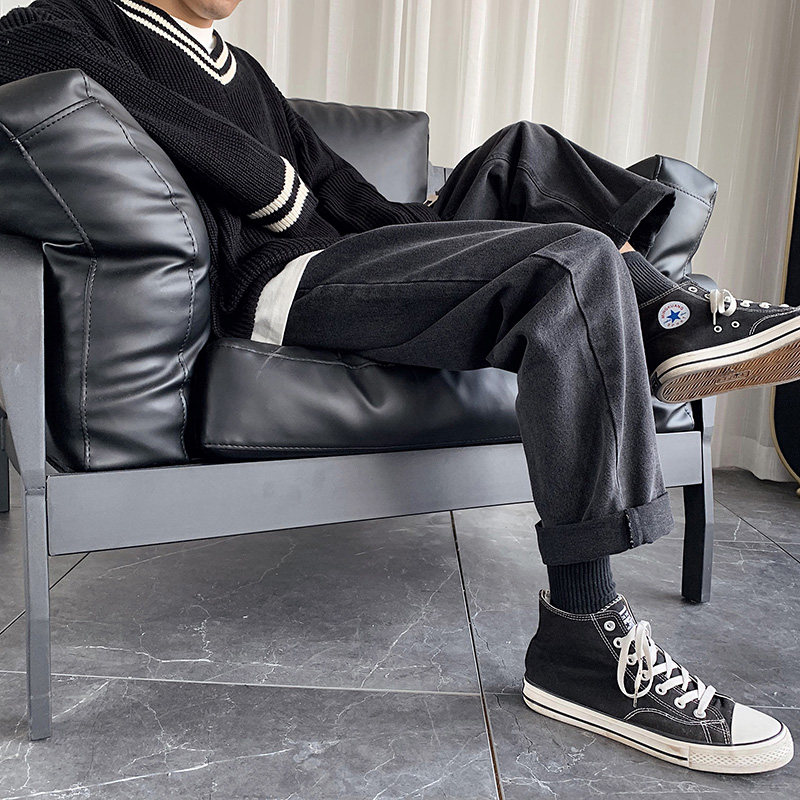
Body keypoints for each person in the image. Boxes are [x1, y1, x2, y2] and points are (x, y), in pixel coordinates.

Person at [0, 0, 796, 774]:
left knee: (522, 153)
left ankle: (665, 316)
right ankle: (583, 636)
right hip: (282, 279)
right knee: (571, 264)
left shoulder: (243, 70)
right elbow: (24, 55)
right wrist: (272, 186)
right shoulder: (66, 20)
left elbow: (334, 183)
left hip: (350, 251)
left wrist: (424, 228)